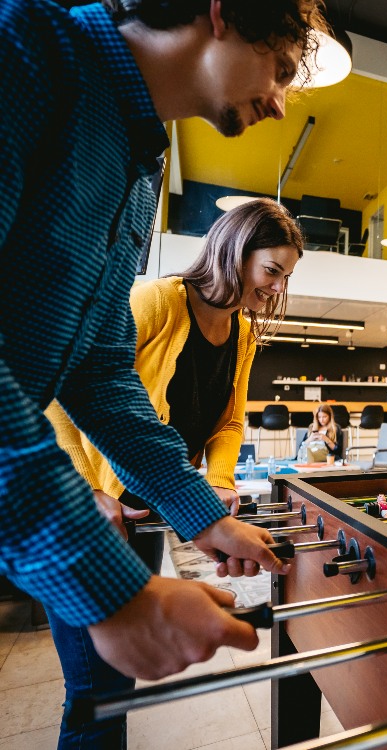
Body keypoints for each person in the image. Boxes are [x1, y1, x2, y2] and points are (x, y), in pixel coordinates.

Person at [0, 0, 327, 716]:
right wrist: (107, 585)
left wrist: (201, 512)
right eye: (278, 69)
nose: (279, 103)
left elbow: (100, 375)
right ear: (221, 13)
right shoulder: (22, 48)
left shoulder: (140, 167)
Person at [43, 198, 303, 746]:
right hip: (92, 516)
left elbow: (230, 421)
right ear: (235, 252)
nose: (279, 287)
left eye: (287, 276)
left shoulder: (242, 333)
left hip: (149, 513)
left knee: (117, 685)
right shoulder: (157, 300)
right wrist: (84, 491)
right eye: (272, 270)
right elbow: (63, 392)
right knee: (96, 694)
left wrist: (218, 485)